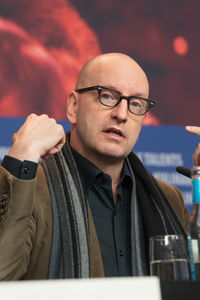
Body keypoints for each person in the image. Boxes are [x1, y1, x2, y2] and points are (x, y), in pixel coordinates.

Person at [0, 53, 190, 280]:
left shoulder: (168, 199)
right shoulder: (31, 187)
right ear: (73, 106)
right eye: (108, 96)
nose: (121, 114)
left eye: (136, 104)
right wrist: (21, 158)